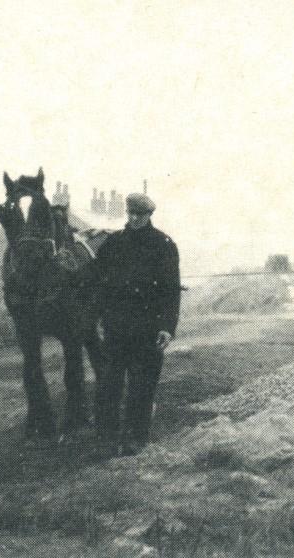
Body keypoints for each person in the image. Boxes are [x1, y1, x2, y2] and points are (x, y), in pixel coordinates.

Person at [93, 192, 180, 455]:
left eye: (138, 215)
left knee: (142, 385)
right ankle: (107, 439)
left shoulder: (163, 244)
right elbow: (98, 281)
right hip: (116, 327)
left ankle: (136, 438)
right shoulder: (114, 243)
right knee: (109, 384)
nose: (133, 219)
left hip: (148, 328)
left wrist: (167, 327)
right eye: (129, 214)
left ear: (148, 216)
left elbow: (171, 290)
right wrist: (98, 316)